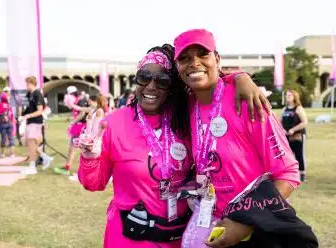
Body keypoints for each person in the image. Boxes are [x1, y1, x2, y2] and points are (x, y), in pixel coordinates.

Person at [77, 43, 271, 248]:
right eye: (143, 77)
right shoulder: (114, 123)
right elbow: (93, 184)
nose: (151, 86)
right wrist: (90, 158)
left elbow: (207, 79)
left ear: (172, 86)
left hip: (180, 238)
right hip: (130, 238)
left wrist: (240, 77)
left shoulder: (187, 116)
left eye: (162, 80)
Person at [173, 29, 300, 247]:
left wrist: (246, 223)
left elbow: (287, 173)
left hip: (257, 227)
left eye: (203, 54)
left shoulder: (247, 102)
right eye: (184, 58)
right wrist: (238, 76)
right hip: (212, 219)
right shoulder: (187, 106)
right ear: (177, 68)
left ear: (217, 59)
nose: (194, 63)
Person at [54, 86, 89, 175]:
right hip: (79, 126)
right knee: (73, 148)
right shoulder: (77, 100)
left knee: (80, 148)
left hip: (81, 127)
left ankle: (70, 167)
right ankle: (67, 166)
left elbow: (82, 113)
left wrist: (73, 122)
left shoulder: (81, 101)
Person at [280, 89, 308, 182]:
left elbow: (304, 122)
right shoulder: (284, 109)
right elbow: (280, 122)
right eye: (286, 95)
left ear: (294, 97)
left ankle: (302, 174)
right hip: (287, 136)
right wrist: (283, 130)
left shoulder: (298, 108)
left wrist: (293, 130)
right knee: (288, 155)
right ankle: (292, 173)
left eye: (289, 96)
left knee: (299, 154)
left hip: (298, 136)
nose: (287, 97)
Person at [20, 76, 45, 175]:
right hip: (31, 121)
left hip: (35, 121)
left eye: (27, 84)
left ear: (31, 83)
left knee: (31, 144)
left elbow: (40, 111)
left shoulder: (37, 94)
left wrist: (27, 116)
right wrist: (22, 116)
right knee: (30, 144)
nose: (26, 86)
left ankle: (32, 167)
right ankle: (42, 158)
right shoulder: (30, 94)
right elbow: (29, 108)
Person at [0, 91, 15, 157]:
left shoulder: (0, 105)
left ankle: (2, 154)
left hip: (2, 124)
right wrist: (12, 122)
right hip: (10, 124)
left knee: (3, 139)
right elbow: (12, 115)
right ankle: (12, 154)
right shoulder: (9, 105)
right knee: (11, 138)